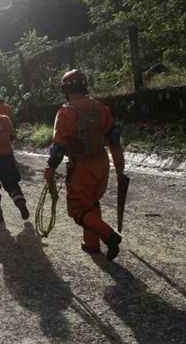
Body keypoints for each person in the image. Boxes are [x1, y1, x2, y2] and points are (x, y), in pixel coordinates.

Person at [44, 69, 125, 260]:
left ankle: (109, 236)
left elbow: (59, 145)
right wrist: (119, 166)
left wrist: (50, 168)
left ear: (65, 89)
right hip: (102, 163)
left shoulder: (65, 112)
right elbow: (114, 138)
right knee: (91, 202)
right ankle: (91, 244)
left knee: (78, 209)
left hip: (82, 166)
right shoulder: (101, 108)